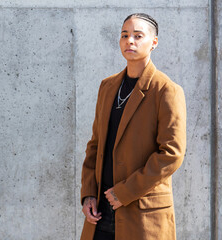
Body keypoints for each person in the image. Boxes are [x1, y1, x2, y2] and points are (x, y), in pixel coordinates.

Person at [80, 13, 187, 240]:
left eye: (138, 36)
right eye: (124, 35)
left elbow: (171, 154)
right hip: (100, 214)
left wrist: (125, 192)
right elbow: (95, 145)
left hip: (142, 215)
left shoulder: (166, 90)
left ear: (154, 42)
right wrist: (88, 193)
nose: (130, 41)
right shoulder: (107, 86)